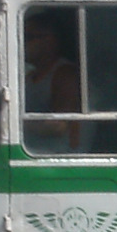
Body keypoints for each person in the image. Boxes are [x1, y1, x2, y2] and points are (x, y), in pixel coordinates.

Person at [23, 12, 81, 152]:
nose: (22, 44)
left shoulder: (65, 75)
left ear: (51, 41)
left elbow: (59, 126)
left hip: (58, 157)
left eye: (28, 38)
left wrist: (9, 123)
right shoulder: (31, 76)